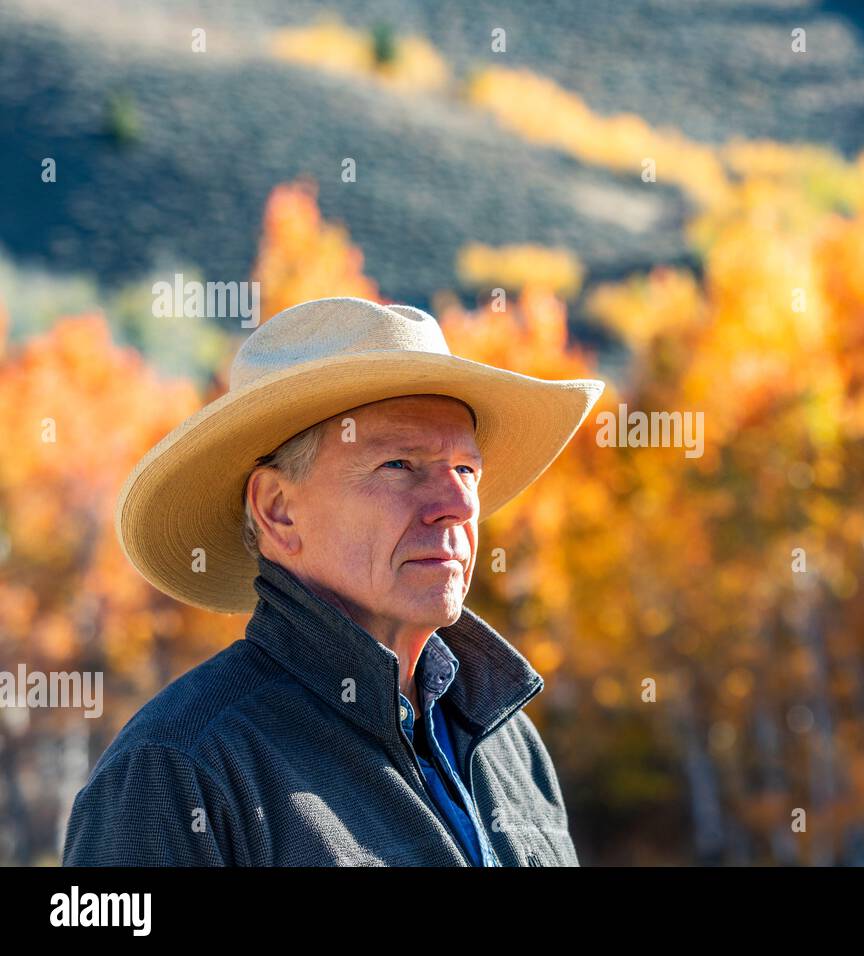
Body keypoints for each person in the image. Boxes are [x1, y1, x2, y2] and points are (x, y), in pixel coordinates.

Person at [61, 296, 604, 865]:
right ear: (278, 510)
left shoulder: (510, 746)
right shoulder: (175, 774)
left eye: (466, 469)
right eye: (399, 464)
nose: (457, 505)